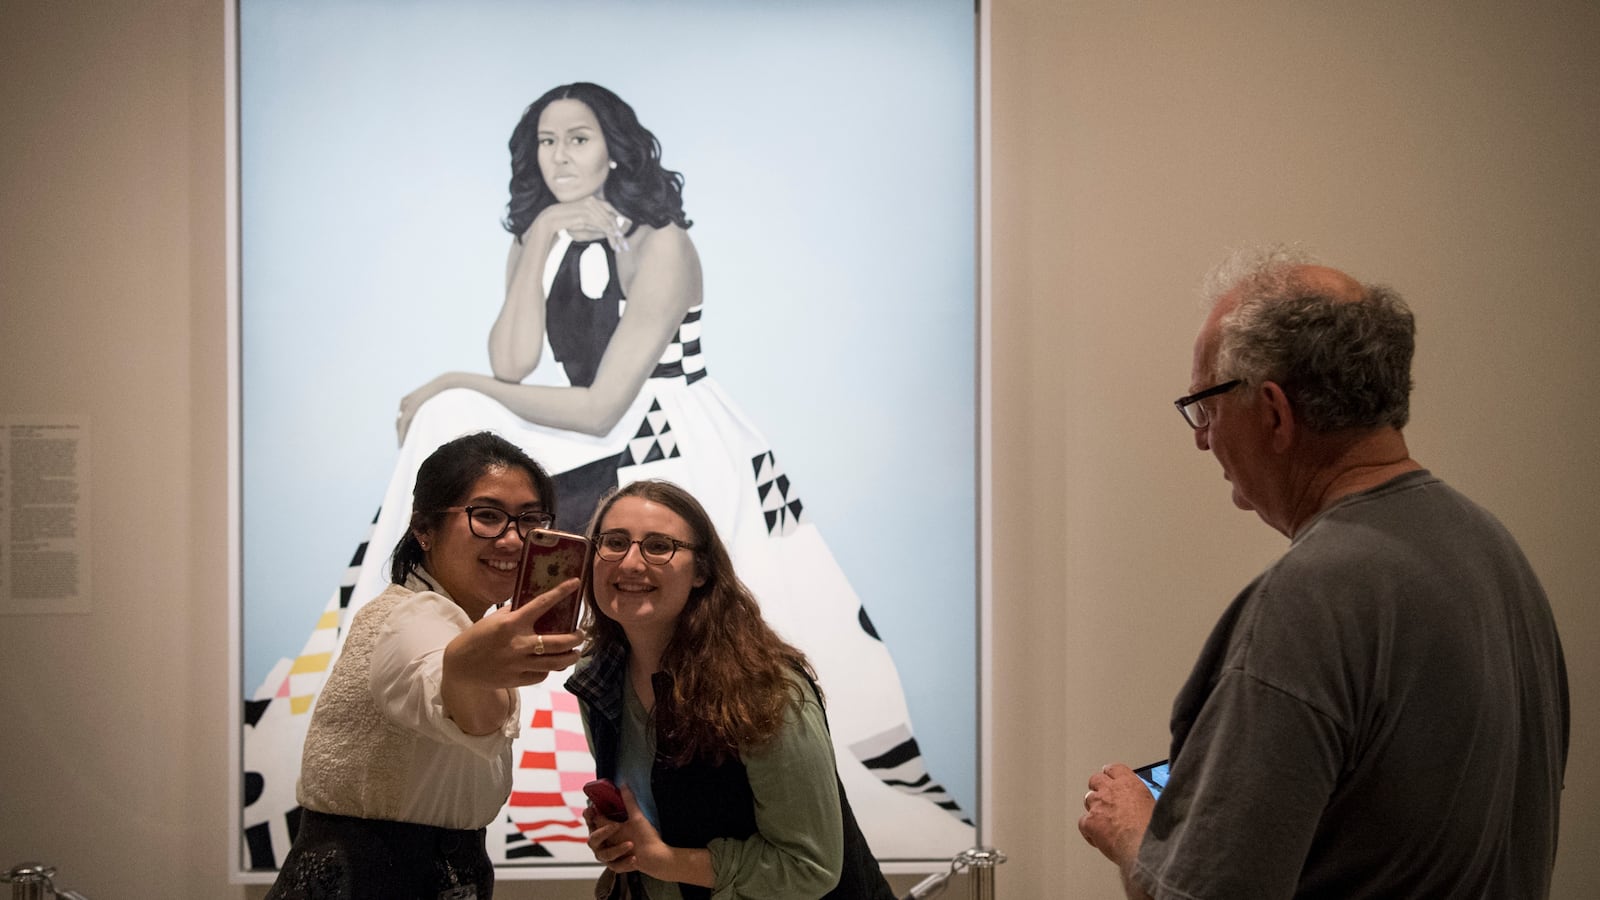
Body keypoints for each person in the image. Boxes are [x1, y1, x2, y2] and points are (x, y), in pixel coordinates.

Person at [1077, 246, 1569, 899]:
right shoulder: (1495, 553)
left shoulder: (1309, 601)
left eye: (1207, 406)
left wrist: (1138, 835)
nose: (1202, 438)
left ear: (1274, 413)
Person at [264, 432, 585, 898]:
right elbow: (460, 701)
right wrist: (466, 671)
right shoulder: (410, 616)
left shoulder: (456, 621)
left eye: (530, 521)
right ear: (424, 529)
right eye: (488, 516)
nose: (513, 539)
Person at [566, 479, 898, 900]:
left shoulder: (764, 689)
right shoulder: (597, 674)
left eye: (657, 546)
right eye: (613, 542)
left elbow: (809, 867)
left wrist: (663, 861)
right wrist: (624, 841)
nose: (630, 563)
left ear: (702, 572)